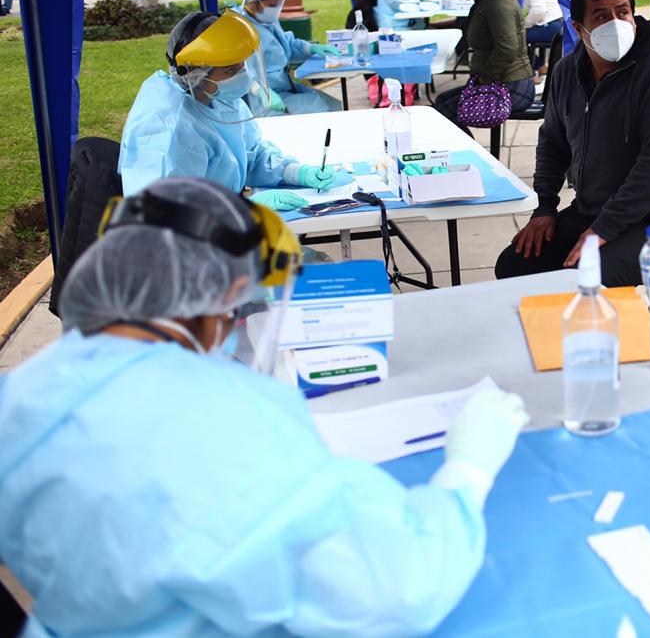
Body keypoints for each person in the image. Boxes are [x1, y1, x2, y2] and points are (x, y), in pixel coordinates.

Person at [0, 176, 530, 635]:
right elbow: (398, 587)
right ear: (229, 292)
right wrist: (466, 474)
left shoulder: (24, 392)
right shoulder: (224, 427)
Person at [495, 0, 650, 286]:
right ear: (578, 28)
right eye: (602, 16)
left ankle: (604, 333)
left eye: (623, 12)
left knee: (581, 280)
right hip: (592, 210)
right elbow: (552, 143)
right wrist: (545, 207)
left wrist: (604, 229)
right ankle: (553, 334)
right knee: (514, 266)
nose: (616, 23)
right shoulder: (567, 72)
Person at [118, 11, 351, 210]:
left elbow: (249, 153)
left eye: (242, 66)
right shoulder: (169, 131)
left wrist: (295, 172)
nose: (242, 76)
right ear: (195, 74)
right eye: (231, 71)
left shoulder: (217, 95)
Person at [432, 0, 535, 133]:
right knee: (442, 103)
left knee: (444, 111)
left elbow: (507, 48)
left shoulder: (498, 0)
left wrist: (484, 78)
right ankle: (469, 153)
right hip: (500, 80)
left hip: (512, 84)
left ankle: (475, 156)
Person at [230, 0, 342, 115]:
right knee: (324, 113)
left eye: (279, 3)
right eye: (272, 4)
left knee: (334, 106)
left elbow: (285, 44)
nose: (276, 8)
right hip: (261, 100)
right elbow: (238, 69)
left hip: (283, 89)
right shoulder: (237, 26)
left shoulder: (265, 19)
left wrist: (310, 48)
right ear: (254, 0)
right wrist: (261, 91)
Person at [524, 0, 563, 75]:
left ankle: (531, 74)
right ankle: (540, 66)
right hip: (554, 23)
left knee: (509, 39)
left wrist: (524, 24)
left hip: (550, 26)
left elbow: (538, 9)